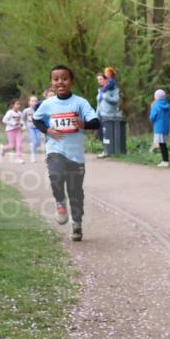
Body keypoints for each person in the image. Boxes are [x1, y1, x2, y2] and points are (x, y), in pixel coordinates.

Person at [32, 64, 101, 241]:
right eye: (56, 79)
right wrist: (47, 131)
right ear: (51, 83)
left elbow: (96, 122)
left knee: (75, 190)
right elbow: (36, 119)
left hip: (75, 155)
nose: (60, 82)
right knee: (56, 175)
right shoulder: (47, 104)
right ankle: (60, 202)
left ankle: (77, 224)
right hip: (55, 149)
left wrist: (83, 124)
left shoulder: (80, 103)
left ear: (71, 81)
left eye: (64, 78)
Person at [96, 67, 122, 158]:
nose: (99, 81)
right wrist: (96, 114)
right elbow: (98, 103)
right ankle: (105, 149)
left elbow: (116, 100)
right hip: (100, 114)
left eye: (101, 79)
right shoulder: (100, 91)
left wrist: (106, 97)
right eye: (98, 80)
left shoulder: (114, 89)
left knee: (108, 133)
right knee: (101, 134)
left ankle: (109, 151)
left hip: (109, 114)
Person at [149, 89, 170, 168]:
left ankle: (165, 161)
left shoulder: (156, 106)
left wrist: (152, 108)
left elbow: (152, 118)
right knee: (164, 144)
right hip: (166, 128)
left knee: (161, 144)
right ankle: (166, 160)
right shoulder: (167, 105)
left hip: (158, 128)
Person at [0, 99, 25, 163]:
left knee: (19, 144)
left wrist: (23, 125)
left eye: (19, 104)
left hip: (18, 130)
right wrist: (13, 123)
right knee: (12, 145)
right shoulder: (10, 112)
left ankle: (18, 158)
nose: (19, 105)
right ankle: (3, 149)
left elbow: (21, 120)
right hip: (10, 130)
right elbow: (4, 120)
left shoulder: (20, 113)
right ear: (12, 105)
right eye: (17, 104)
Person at [23, 95, 43, 162]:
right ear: (29, 102)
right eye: (32, 101)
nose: (34, 102)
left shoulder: (39, 110)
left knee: (38, 143)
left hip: (38, 128)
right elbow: (23, 118)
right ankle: (33, 156)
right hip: (30, 128)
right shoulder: (26, 110)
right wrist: (24, 125)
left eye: (36, 101)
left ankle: (33, 145)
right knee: (34, 141)